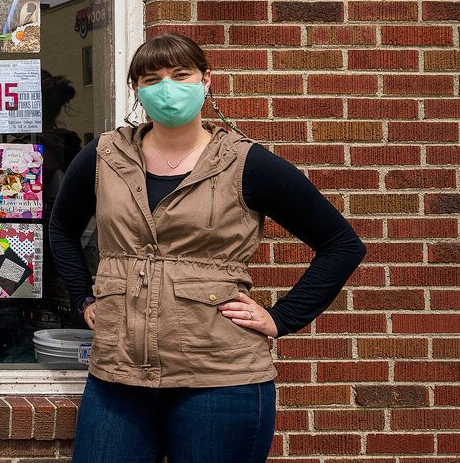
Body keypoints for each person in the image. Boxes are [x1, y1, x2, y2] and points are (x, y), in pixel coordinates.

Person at [50, 33, 366, 463]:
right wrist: (84, 296)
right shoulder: (105, 156)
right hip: (118, 377)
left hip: (222, 381)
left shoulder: (246, 162)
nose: (168, 88)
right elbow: (62, 228)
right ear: (136, 90)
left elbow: (341, 245)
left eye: (181, 75)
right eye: (152, 78)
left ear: (206, 80)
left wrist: (280, 318)